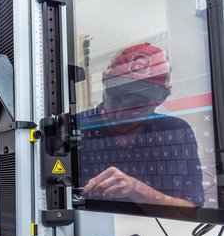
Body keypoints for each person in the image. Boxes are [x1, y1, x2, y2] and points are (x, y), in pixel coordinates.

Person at [78, 43, 205, 208]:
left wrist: (136, 189)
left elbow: (192, 208)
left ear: (161, 99)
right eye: (116, 97)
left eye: (138, 105)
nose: (121, 112)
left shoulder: (176, 131)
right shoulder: (76, 127)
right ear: (104, 80)